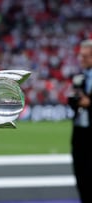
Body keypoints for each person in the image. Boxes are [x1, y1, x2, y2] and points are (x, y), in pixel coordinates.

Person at [68, 39, 92, 203]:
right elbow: (74, 103)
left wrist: (90, 103)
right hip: (80, 134)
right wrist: (74, 100)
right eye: (80, 55)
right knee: (81, 174)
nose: (81, 59)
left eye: (85, 56)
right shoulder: (79, 77)